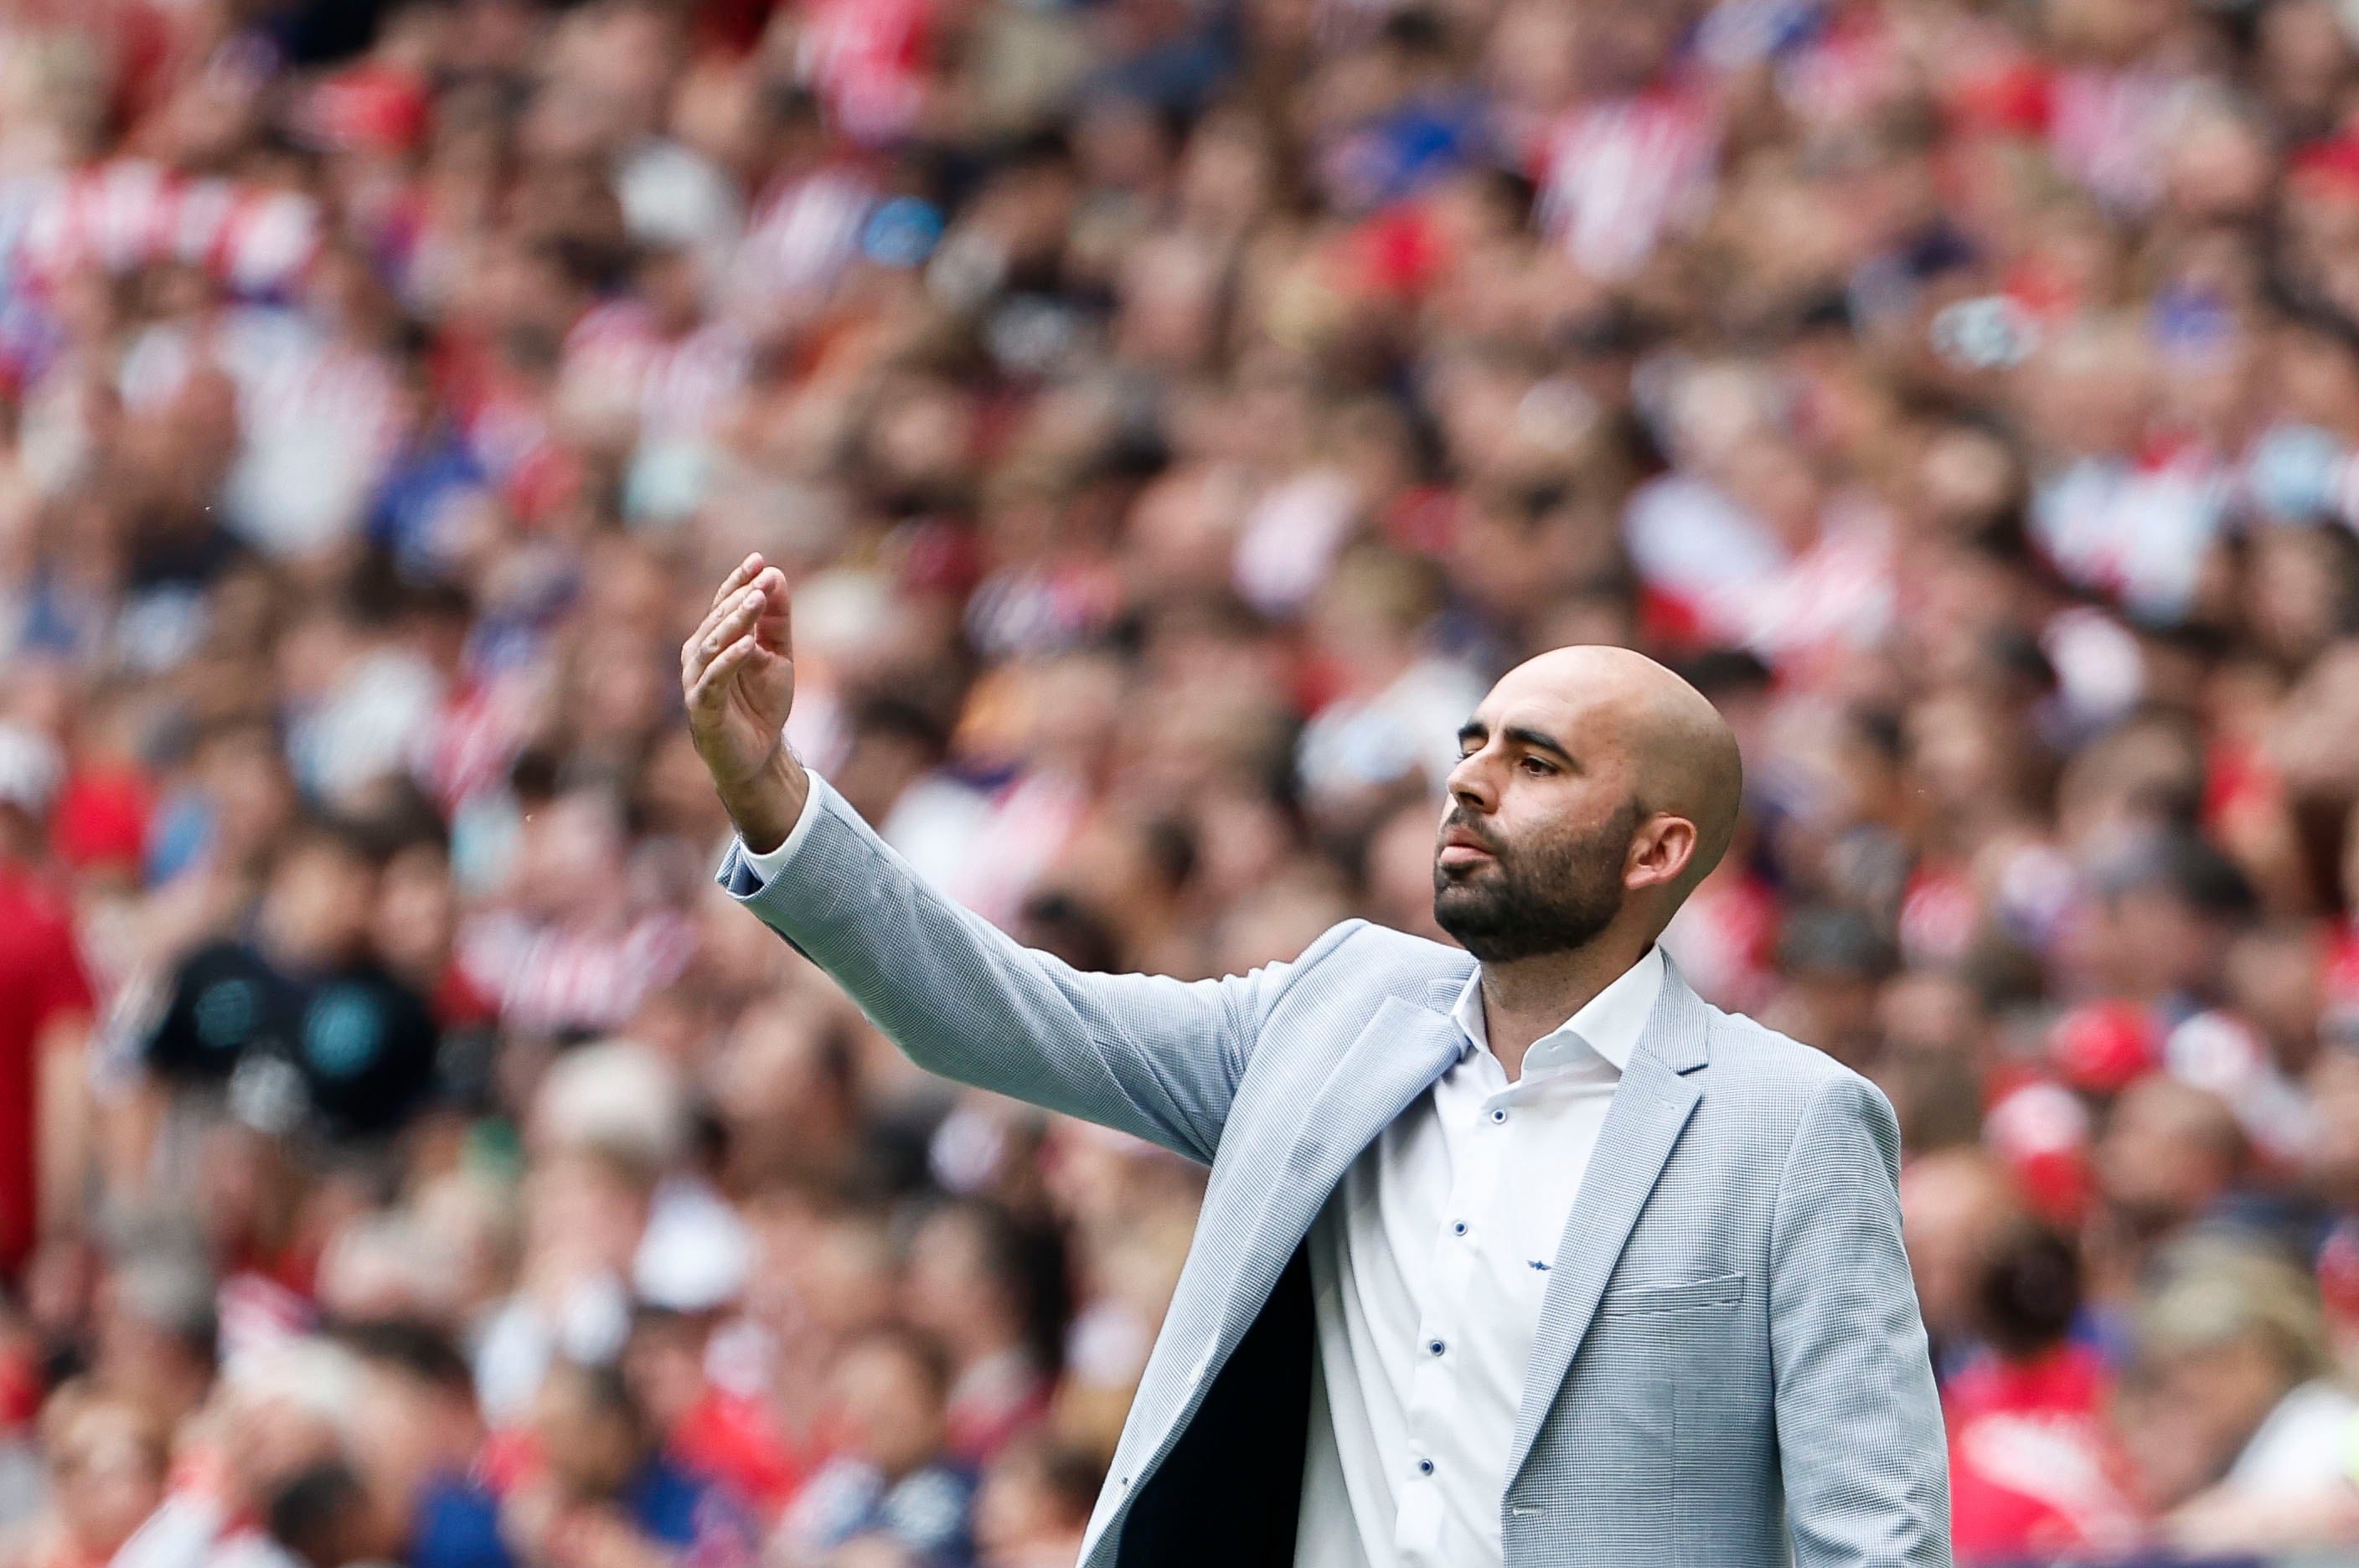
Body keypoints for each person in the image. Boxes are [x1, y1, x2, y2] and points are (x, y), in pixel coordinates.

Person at [681, 554, 1948, 1566]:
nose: (1471, 783)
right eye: (1474, 743)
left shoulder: (1793, 1124)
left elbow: (1875, 1537)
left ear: (1656, 851)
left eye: (1537, 762)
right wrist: (774, 794)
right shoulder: (1334, 1015)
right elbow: (1001, 1015)